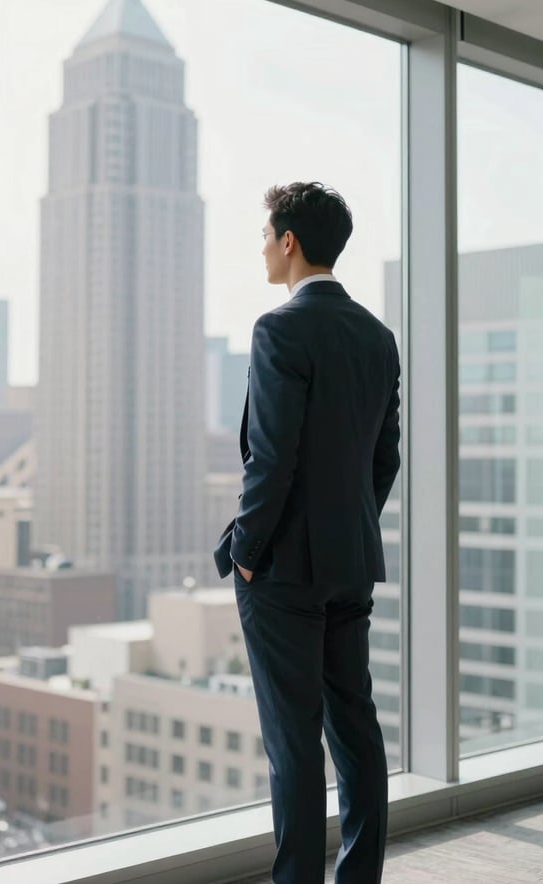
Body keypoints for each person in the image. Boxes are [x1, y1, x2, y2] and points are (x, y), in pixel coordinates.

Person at [214, 181, 401, 884]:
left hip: (284, 569)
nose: (262, 247)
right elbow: (386, 457)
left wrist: (248, 552)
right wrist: (349, 527)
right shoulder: (376, 336)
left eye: (266, 234)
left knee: (293, 745)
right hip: (351, 561)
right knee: (355, 728)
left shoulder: (279, 329)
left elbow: (272, 457)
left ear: (290, 241)